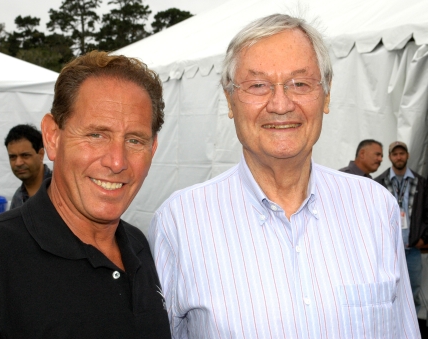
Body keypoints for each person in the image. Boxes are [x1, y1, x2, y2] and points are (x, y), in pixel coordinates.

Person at [148, 14, 420, 338]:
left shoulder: (376, 209)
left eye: (300, 84)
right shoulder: (178, 224)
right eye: (258, 85)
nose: (280, 104)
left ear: (327, 95)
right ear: (230, 99)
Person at [0, 51, 171, 338]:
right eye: (96, 135)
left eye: (134, 140)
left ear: (152, 150)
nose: (116, 161)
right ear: (52, 137)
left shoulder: (139, 246)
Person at [375, 141, 428, 312]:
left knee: (413, 291)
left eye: (402, 153)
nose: (399, 157)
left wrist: (424, 238)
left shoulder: (421, 183)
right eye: (395, 154)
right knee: (388, 291)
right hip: (387, 250)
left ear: (407, 155)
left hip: (412, 249)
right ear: (389, 157)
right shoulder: (378, 182)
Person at [4, 124, 52, 209]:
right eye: (13, 157)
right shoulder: (18, 198)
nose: (18, 163)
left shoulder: (60, 190)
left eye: (25, 155)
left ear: (41, 154)